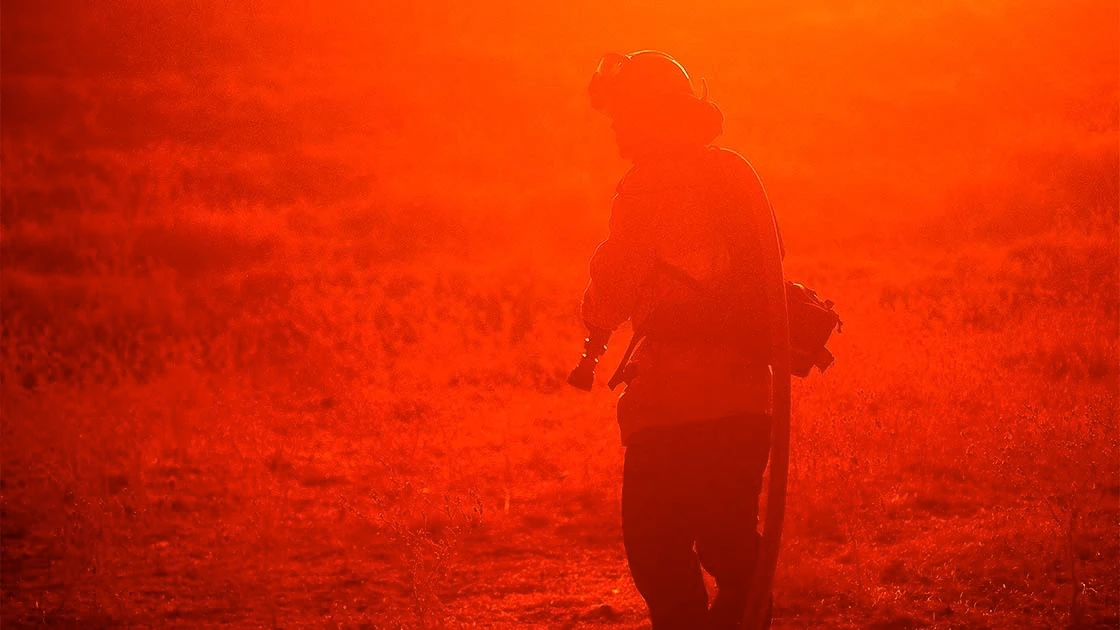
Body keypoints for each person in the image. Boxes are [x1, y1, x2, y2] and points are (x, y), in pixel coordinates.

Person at [580, 51, 782, 629]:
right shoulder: (734, 175)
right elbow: (770, 265)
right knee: (729, 541)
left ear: (648, 116)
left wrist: (593, 315)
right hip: (746, 401)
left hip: (671, 408)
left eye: (622, 114)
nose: (616, 127)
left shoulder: (647, 189)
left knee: (657, 549)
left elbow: (612, 290)